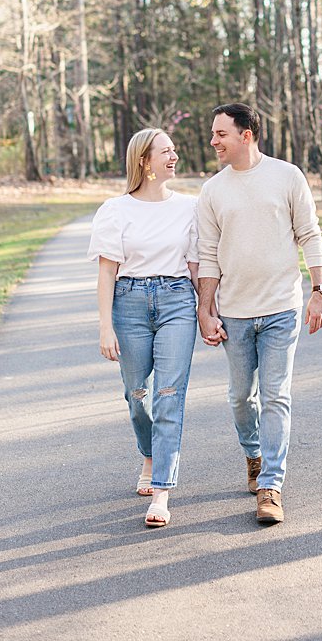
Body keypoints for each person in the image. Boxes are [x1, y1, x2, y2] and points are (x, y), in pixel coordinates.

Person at [195, 102, 322, 526]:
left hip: (280, 310)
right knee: (240, 397)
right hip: (234, 313)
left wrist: (319, 291)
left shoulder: (287, 176)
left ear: (246, 135)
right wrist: (206, 308)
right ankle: (253, 454)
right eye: (214, 134)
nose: (213, 141)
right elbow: (208, 255)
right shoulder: (213, 190)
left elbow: (309, 233)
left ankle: (271, 485)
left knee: (276, 396)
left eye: (221, 134)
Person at [89, 128, 199, 528]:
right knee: (138, 396)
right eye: (165, 151)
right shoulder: (115, 210)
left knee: (169, 393)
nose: (174, 156)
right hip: (129, 303)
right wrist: (105, 325)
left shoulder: (190, 207)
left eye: (174, 149)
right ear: (143, 161)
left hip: (176, 301)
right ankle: (149, 454)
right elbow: (106, 272)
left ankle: (162, 489)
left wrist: (206, 310)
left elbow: (195, 266)